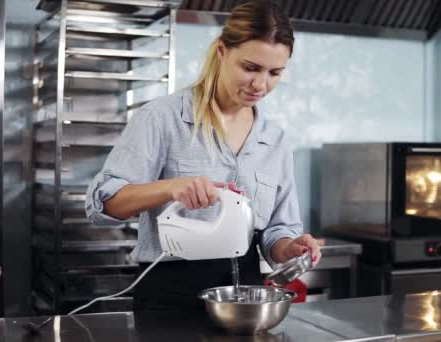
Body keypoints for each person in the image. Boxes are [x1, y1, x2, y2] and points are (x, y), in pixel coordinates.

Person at [85, 0, 323, 312]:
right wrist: (171, 187)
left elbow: (277, 230)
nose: (261, 84)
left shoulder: (274, 139)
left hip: (245, 294)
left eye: (274, 72)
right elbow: (103, 204)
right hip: (170, 292)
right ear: (222, 51)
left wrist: (289, 248)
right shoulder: (161, 118)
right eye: (250, 68)